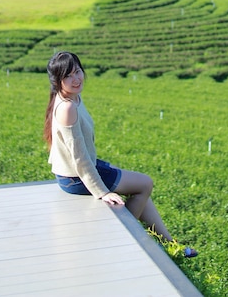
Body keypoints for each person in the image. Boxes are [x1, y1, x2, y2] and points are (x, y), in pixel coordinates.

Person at [44, 50, 197, 257]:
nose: (76, 79)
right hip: (75, 178)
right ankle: (125, 238)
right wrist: (102, 192)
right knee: (145, 184)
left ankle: (171, 246)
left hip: (76, 172)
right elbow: (78, 158)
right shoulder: (67, 108)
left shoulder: (71, 98)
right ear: (57, 81)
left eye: (78, 71)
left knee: (141, 189)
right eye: (68, 76)